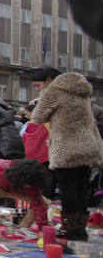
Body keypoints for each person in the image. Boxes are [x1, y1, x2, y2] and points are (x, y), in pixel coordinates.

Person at [32, 72, 103, 241]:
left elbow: (37, 117)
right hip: (87, 144)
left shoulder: (53, 91)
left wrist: (41, 100)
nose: (38, 89)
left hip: (67, 146)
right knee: (80, 188)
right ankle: (80, 229)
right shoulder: (81, 91)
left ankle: (70, 229)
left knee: (68, 189)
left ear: (49, 80)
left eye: (38, 86)